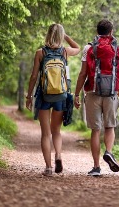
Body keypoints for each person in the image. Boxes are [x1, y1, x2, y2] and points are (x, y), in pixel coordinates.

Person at [74, 19, 119, 176]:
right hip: (111, 93)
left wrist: (76, 93)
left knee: (95, 130)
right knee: (110, 127)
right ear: (111, 32)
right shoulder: (118, 49)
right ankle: (109, 152)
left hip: (92, 92)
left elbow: (83, 73)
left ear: (97, 31)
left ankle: (96, 167)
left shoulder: (88, 48)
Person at [26, 23, 80, 176]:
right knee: (56, 131)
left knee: (45, 133)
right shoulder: (65, 51)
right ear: (61, 36)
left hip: (44, 95)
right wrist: (66, 36)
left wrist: (29, 96)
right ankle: (58, 156)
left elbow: (34, 76)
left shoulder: (40, 53)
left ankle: (48, 168)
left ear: (48, 34)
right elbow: (77, 47)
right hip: (61, 96)